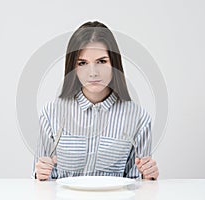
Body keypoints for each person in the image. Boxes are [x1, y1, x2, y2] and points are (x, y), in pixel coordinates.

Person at [33, 21, 159, 181]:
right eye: (82, 63)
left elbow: (135, 185)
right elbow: (40, 181)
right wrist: (40, 174)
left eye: (101, 61)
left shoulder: (139, 118)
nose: (93, 73)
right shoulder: (51, 114)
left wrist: (148, 177)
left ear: (114, 63)